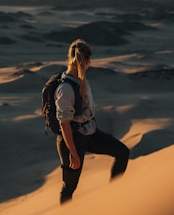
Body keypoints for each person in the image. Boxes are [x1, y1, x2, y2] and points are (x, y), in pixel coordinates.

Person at [55, 38, 130, 204]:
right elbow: (64, 123)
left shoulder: (81, 80)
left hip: (90, 132)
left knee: (123, 152)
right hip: (73, 139)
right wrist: (73, 154)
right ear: (86, 61)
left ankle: (114, 195)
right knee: (69, 186)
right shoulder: (66, 88)